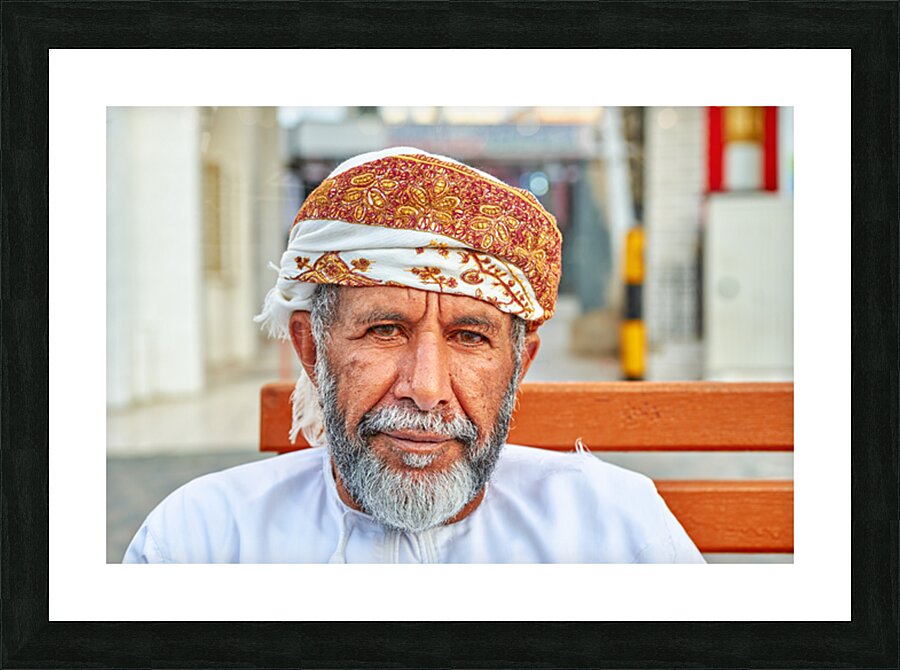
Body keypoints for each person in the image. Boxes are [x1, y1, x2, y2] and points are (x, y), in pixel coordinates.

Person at [123, 147, 704, 564]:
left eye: (470, 337)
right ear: (311, 347)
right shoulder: (201, 539)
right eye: (384, 330)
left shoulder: (619, 529)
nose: (426, 389)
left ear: (519, 365)